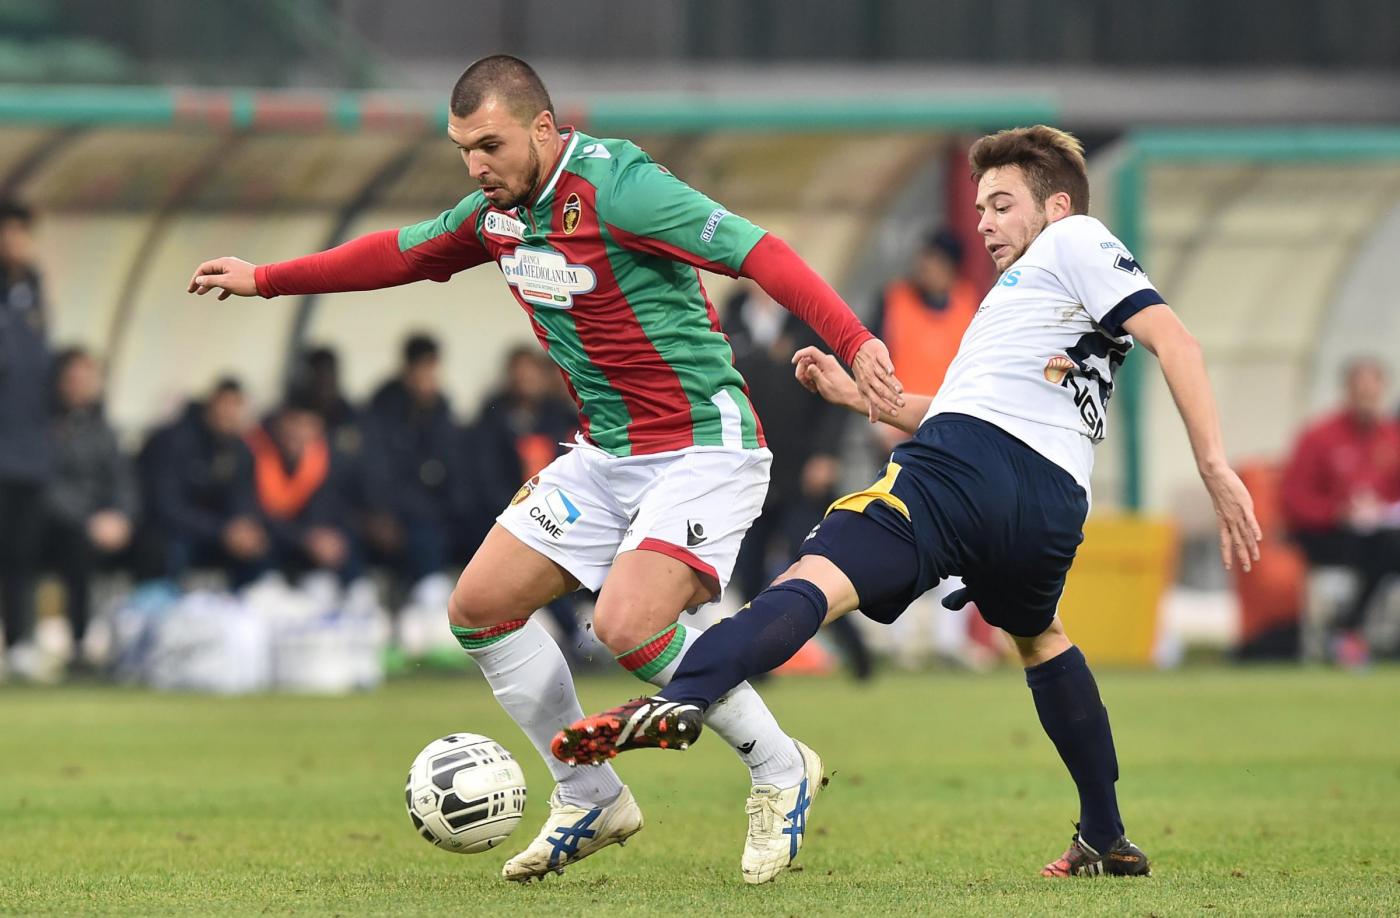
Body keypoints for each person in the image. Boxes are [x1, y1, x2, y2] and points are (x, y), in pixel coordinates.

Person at [186, 54, 900, 884]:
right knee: (480, 609)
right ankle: (589, 794)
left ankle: (780, 768)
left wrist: (855, 340)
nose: (475, 166)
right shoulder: (496, 217)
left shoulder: (620, 187)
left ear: (543, 129)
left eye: (489, 145)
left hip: (704, 443)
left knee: (627, 625)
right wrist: (266, 280)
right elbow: (399, 253)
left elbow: (757, 251)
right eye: (462, 150)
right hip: (605, 452)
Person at [556, 125, 1262, 880]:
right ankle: (1104, 834)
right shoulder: (1034, 292)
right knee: (1041, 639)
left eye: (1002, 205)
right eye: (980, 208)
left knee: (817, 579)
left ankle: (684, 696)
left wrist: (1214, 466)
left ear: (1057, 207)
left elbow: (1176, 342)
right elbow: (969, 405)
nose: (984, 222)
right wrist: (860, 397)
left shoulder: (1076, 239)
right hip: (1050, 502)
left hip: (968, 467)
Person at [723, 282, 871, 680]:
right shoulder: (729, 321)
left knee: (814, 563)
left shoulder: (807, 322)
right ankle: (757, 665)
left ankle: (858, 654)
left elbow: (833, 399)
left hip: (801, 472)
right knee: (748, 571)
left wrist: (826, 454)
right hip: (751, 472)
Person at [1280, 357, 1400, 667]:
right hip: (1325, 533)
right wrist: (1338, 513)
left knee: (1388, 547)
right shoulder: (1319, 436)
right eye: (1361, 393)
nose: (1367, 401)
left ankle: (1348, 628)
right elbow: (1294, 499)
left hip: (1379, 534)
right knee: (1387, 549)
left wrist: (1380, 509)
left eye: (1372, 394)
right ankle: (1349, 630)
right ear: (1347, 391)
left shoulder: (1391, 437)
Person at [42, 348, 139, 664]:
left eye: (88, 379)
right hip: (59, 526)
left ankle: (133, 644)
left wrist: (122, 517)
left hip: (106, 524)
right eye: (75, 379)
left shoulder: (104, 429)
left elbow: (124, 480)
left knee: (154, 546)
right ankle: (79, 644)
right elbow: (43, 484)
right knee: (76, 549)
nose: (82, 387)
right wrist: (88, 520)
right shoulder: (42, 426)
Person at [139, 378, 269, 588]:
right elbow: (166, 507)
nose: (230, 413)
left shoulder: (240, 451)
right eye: (225, 404)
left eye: (237, 406)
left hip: (216, 533)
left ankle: (247, 604)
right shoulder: (172, 440)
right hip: (172, 531)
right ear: (210, 404)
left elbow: (244, 498)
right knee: (169, 546)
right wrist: (221, 530)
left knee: (257, 545)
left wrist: (241, 528)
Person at [358, 334, 460, 592]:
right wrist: (380, 512)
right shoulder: (383, 407)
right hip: (394, 511)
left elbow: (451, 467)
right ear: (408, 369)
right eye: (423, 369)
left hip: (433, 510)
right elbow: (375, 468)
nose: (429, 378)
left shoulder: (441, 408)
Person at [0, 200, 54, 680]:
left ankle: (19, 643)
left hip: (29, 452)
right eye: (8, 230)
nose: (15, 241)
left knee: (22, 554)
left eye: (21, 232)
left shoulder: (33, 290)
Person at [247, 398, 356, 584]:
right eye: (293, 423)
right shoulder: (255, 455)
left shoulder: (328, 462)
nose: (297, 432)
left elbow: (331, 510)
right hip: (272, 541)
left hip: (310, 545)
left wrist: (321, 539)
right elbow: (252, 511)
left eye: (307, 425)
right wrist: (304, 537)